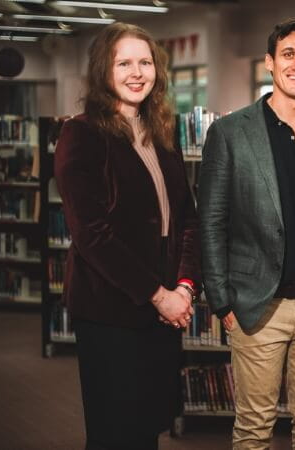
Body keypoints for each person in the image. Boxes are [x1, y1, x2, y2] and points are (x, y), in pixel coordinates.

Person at [198, 19, 295, 450]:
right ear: (269, 62)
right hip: (257, 305)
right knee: (254, 428)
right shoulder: (231, 132)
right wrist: (222, 300)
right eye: (288, 54)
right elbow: (210, 220)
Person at [55, 22, 200, 450]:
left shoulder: (162, 134)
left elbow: (187, 219)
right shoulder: (80, 133)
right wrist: (159, 295)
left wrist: (185, 288)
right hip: (110, 310)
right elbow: (91, 234)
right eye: (124, 63)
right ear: (105, 71)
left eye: (145, 62)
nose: (136, 72)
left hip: (165, 309)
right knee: (113, 432)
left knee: (148, 426)